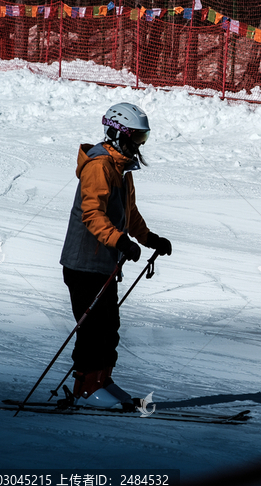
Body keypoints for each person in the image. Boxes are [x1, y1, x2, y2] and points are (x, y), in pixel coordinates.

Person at [59, 102, 172, 410]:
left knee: (109, 327)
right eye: (137, 137)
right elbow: (92, 214)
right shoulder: (99, 166)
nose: (140, 144)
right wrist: (120, 241)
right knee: (93, 328)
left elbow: (128, 213)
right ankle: (86, 387)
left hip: (103, 264)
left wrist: (150, 239)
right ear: (118, 134)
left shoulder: (120, 168)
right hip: (83, 264)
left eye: (143, 137)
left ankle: (101, 380)